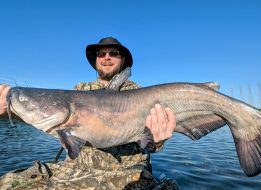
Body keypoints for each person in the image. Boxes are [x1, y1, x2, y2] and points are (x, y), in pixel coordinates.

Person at [0, 37, 180, 189]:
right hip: (78, 170)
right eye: (101, 54)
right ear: (96, 60)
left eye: (113, 53)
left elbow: (150, 145)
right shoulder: (80, 89)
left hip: (126, 172)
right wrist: (9, 110)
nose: (106, 57)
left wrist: (158, 141)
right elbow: (40, 116)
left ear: (123, 60)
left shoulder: (141, 95)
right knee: (8, 183)